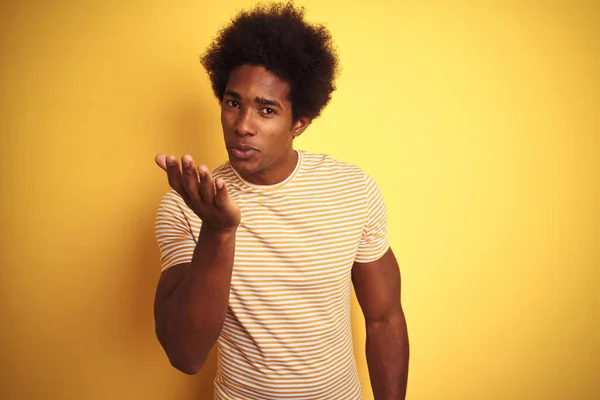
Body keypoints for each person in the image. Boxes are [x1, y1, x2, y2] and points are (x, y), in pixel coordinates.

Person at [153, 2, 409, 399]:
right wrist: (218, 231)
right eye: (232, 102)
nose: (242, 126)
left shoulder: (352, 189)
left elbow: (384, 318)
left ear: (300, 123)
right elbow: (185, 354)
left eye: (266, 110)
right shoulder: (189, 204)